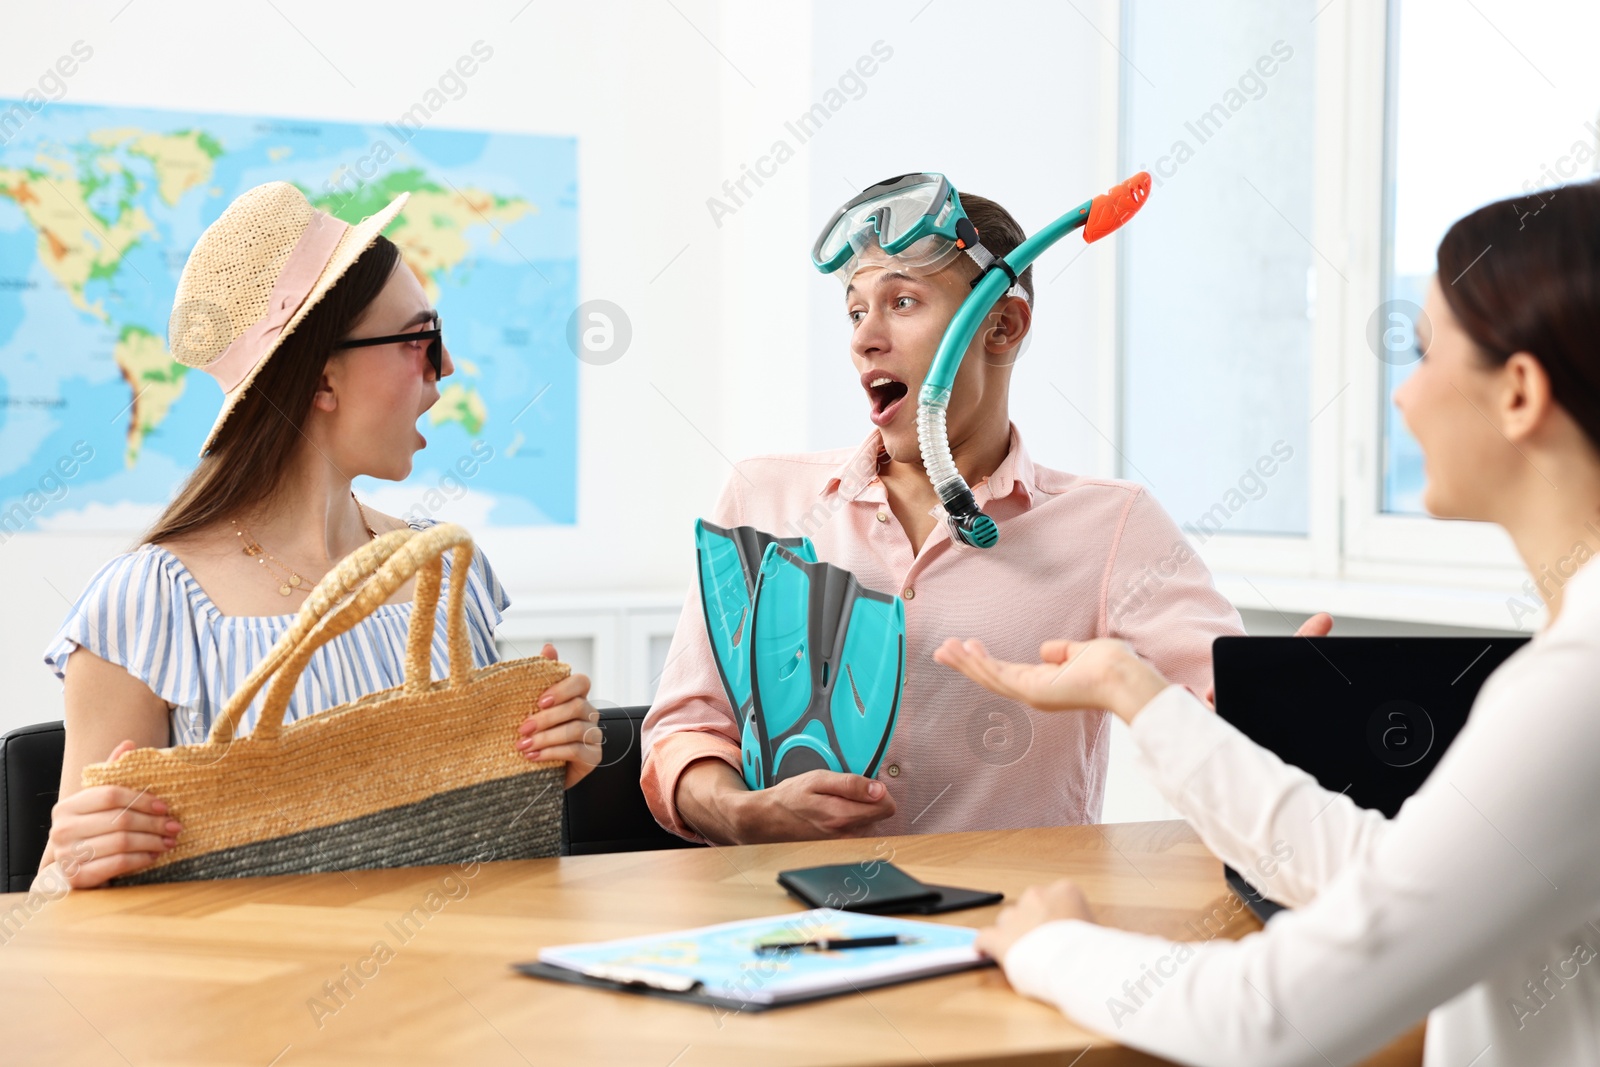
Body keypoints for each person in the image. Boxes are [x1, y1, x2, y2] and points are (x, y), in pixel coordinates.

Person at [935, 181, 1600, 1066]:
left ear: (1519, 392)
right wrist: (1134, 694)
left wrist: (1050, 948)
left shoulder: (1575, 692)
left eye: (1422, 350)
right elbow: (1386, 872)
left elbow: (1268, 1018)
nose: (1402, 399)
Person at [642, 174, 1250, 845]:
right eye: (854, 311)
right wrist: (743, 811)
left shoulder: (1112, 528)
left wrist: (1284, 703)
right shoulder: (765, 497)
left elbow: (1231, 721)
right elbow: (684, 733)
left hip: (1013, 932)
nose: (865, 339)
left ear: (1003, 325)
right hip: (793, 923)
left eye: (902, 301)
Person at [39, 182, 601, 890]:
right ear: (324, 379)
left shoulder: (445, 573)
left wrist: (554, 758)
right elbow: (52, 903)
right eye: (422, 340)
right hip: (250, 995)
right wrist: (69, 862)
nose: (446, 369)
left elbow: (485, 861)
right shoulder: (145, 604)